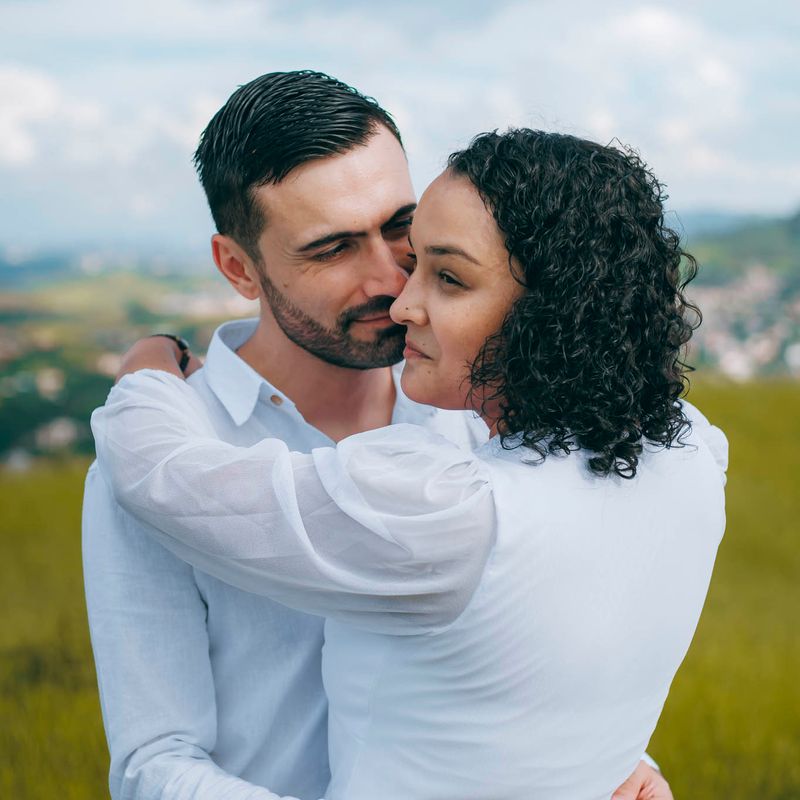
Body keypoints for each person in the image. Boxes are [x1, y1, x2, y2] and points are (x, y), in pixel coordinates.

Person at [91, 127, 726, 799]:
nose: (395, 291)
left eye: (406, 237)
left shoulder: (456, 448)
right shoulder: (692, 446)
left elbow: (542, 650)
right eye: (332, 247)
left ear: (555, 310)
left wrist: (144, 373)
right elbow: (152, 763)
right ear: (239, 267)